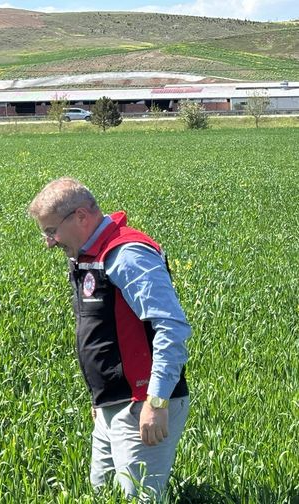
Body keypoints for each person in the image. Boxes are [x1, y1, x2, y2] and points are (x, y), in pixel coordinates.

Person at [27, 177, 190, 500]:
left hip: (142, 404)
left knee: (137, 498)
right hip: (111, 405)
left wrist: (156, 402)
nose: (49, 241)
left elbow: (171, 328)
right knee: (102, 493)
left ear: (81, 217)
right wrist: (99, 400)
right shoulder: (89, 256)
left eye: (51, 230)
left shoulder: (128, 255)